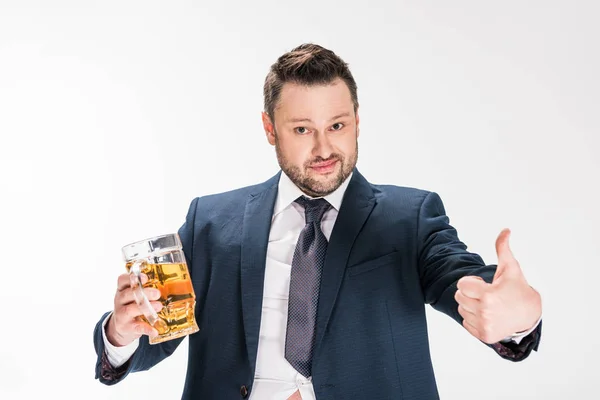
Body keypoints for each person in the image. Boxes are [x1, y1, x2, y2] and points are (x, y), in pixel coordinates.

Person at [93, 43, 542, 400]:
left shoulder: (410, 217)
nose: (325, 149)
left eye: (338, 126)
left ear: (358, 122)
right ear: (270, 129)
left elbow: (463, 278)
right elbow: (160, 335)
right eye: (303, 129)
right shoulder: (210, 220)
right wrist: (120, 332)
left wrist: (519, 315)